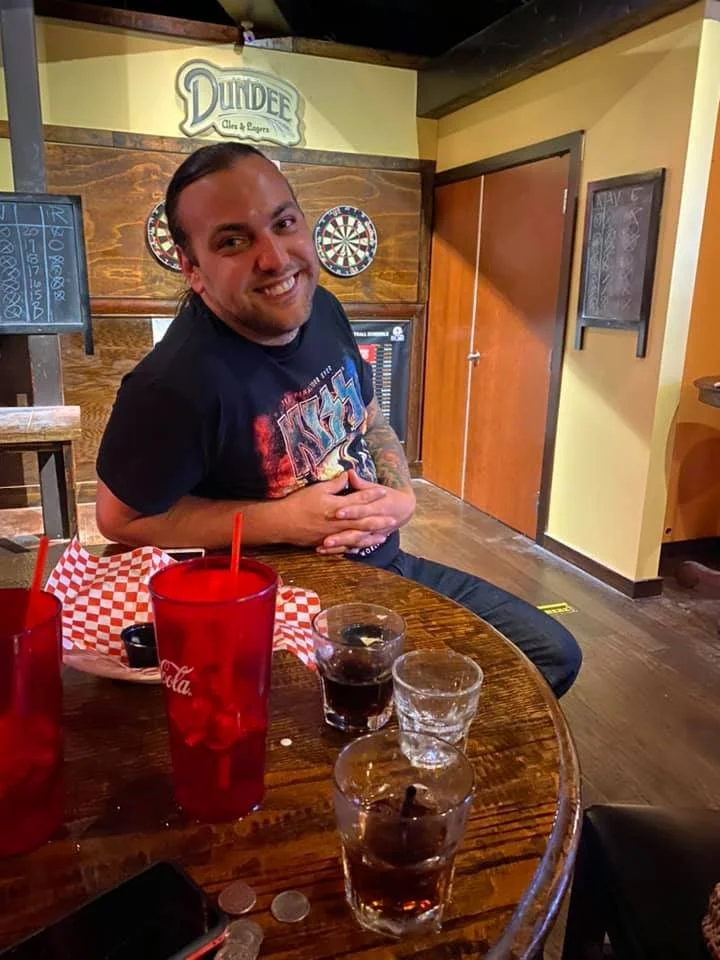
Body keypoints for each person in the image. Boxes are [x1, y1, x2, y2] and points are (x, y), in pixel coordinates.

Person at [95, 143, 581, 697]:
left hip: (388, 568)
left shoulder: (322, 308)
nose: (276, 259)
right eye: (233, 240)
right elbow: (119, 520)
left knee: (551, 655)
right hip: (283, 606)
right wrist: (283, 521)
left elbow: (368, 414)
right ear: (192, 268)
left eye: (284, 223)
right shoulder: (173, 386)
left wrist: (400, 495)